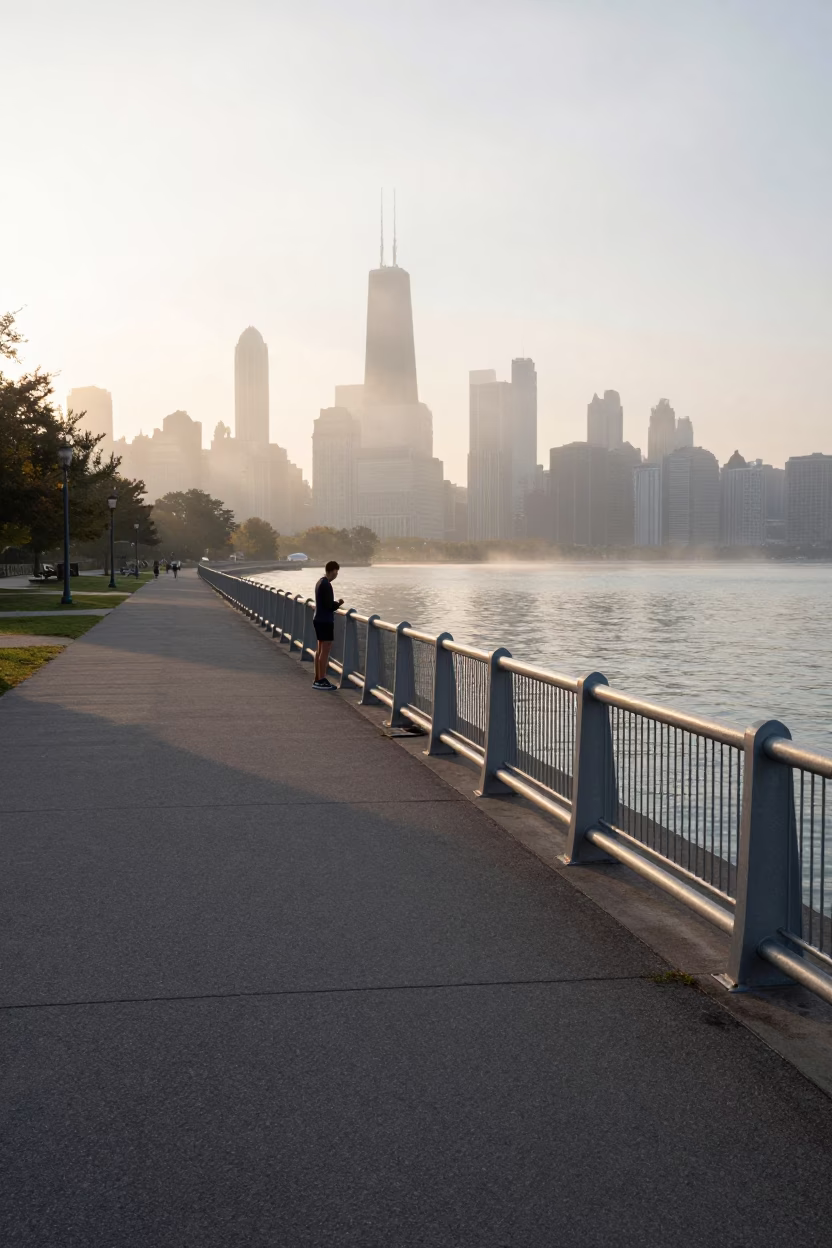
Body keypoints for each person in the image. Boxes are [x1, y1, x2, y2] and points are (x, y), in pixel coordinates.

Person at [312, 560, 343, 690]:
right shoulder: (326, 585)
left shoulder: (320, 582)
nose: (337, 575)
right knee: (325, 649)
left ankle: (317, 678)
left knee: (319, 649)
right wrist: (339, 603)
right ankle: (322, 679)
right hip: (325, 620)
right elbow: (329, 605)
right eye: (337, 572)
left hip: (318, 618)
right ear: (333, 571)